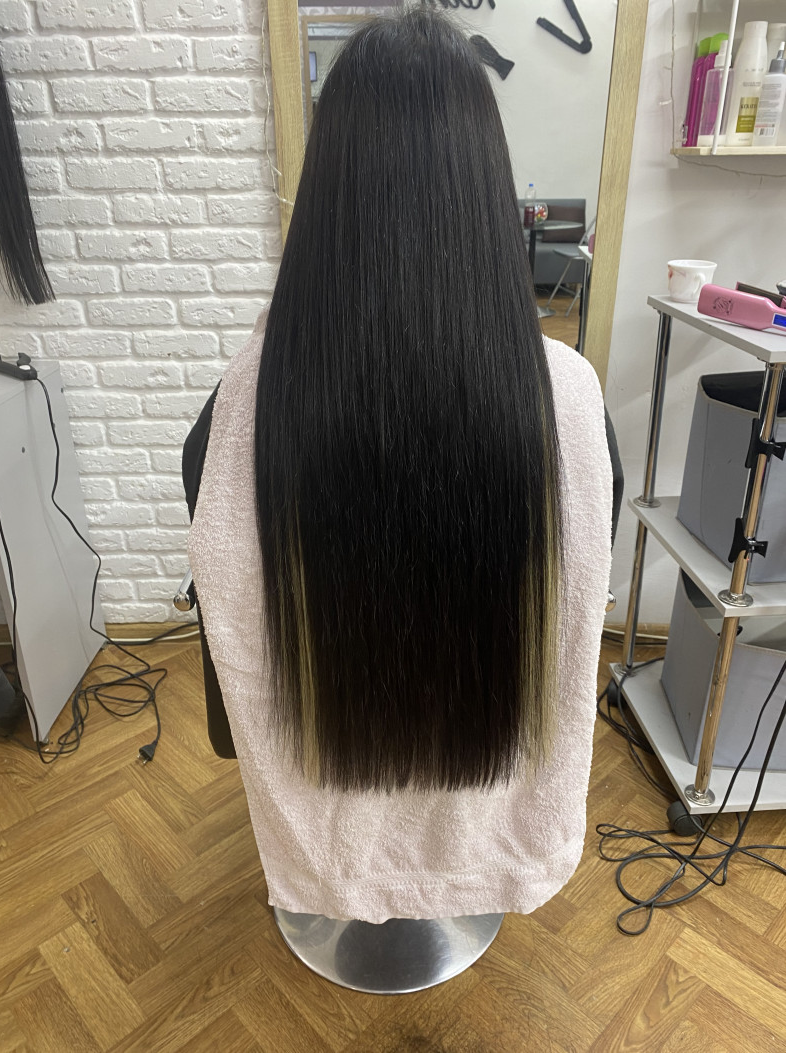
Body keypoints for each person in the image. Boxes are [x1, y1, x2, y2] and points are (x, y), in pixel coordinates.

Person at [186, 8, 613, 923]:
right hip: (485, 792)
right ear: (485, 188)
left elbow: (231, 617)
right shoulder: (570, 398)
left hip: (329, 813)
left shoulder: (251, 391)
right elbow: (576, 623)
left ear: (329, 191)